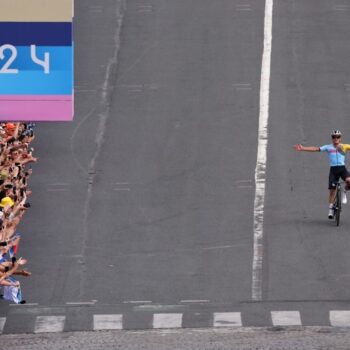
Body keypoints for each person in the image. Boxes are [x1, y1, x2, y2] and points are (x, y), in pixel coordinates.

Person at [294, 130, 350, 219]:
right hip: (333, 170)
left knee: (349, 181)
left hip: (342, 169)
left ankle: (344, 192)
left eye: (338, 137)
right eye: (334, 137)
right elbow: (316, 149)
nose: (336, 139)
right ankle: (331, 209)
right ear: (332, 138)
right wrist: (303, 148)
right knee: (332, 190)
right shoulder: (328, 147)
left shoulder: (344, 146)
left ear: (340, 138)